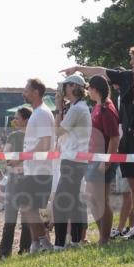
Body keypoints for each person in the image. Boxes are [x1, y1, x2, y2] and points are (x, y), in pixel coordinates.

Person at [62, 44, 134, 241]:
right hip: (127, 136)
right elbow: (100, 70)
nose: (131, 63)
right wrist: (78, 68)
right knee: (133, 183)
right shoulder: (126, 78)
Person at [52, 74, 92, 248]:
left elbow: (58, 131)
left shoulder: (77, 109)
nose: (63, 90)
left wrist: (59, 108)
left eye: (66, 86)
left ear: (74, 87)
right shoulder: (78, 107)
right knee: (74, 201)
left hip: (73, 160)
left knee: (60, 202)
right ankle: (75, 241)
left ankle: (60, 244)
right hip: (75, 159)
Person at [19, 78, 56, 252]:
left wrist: (21, 157)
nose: (23, 92)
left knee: (31, 206)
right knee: (29, 206)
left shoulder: (41, 113)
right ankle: (37, 243)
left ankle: (43, 242)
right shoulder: (37, 112)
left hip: (40, 169)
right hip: (33, 168)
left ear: (35, 92)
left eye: (26, 89)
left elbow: (44, 144)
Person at [86, 75, 121, 244]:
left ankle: (105, 238)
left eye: (89, 88)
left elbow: (114, 137)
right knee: (92, 198)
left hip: (103, 159)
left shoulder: (107, 108)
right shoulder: (98, 107)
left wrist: (107, 161)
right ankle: (103, 235)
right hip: (93, 158)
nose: (87, 92)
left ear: (94, 89)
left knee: (101, 199)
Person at [0, 106, 33, 257]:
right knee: (17, 218)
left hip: (23, 178)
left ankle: (6, 254)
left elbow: (7, 156)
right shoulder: (16, 135)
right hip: (19, 177)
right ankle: (20, 251)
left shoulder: (28, 136)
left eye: (17, 118)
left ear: (25, 120)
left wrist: (15, 160)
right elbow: (6, 157)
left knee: (17, 218)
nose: (14, 120)